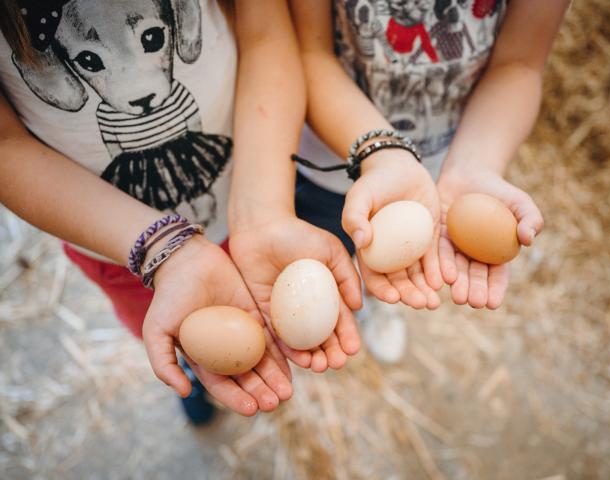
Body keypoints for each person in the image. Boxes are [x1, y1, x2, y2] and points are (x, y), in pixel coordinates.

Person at [0, 0, 362, 423]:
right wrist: (163, 249)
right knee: (175, 326)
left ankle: (212, 354)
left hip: (244, 185)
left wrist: (263, 207)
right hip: (123, 247)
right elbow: (7, 147)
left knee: (253, 313)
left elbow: (265, 33)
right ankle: (192, 367)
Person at [288, 0, 569, 362]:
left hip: (440, 164)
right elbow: (310, 52)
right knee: (330, 251)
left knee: (400, 256)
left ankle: (376, 304)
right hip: (329, 157)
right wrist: (381, 152)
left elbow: (518, 65)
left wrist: (476, 163)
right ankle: (316, 306)